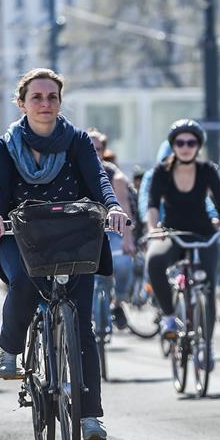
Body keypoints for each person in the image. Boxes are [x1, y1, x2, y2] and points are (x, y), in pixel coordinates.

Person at [0, 68, 129, 440]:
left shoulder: (76, 140)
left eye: (52, 97)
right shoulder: (7, 144)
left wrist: (111, 206)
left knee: (83, 328)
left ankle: (90, 418)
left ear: (60, 102)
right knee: (25, 282)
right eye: (37, 97)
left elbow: (98, 179)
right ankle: (10, 350)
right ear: (22, 103)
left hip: (72, 234)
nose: (45, 103)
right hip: (22, 234)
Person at [145, 119, 220, 367]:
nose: (185, 147)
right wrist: (154, 229)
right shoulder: (161, 171)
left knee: (207, 289)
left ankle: (206, 345)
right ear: (173, 145)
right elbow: (152, 205)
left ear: (198, 146)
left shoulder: (207, 170)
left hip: (204, 234)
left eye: (191, 142)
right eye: (180, 142)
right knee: (154, 260)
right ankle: (170, 318)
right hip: (173, 233)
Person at [88, 128, 136, 329]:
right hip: (84, 233)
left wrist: (127, 239)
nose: (94, 153)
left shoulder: (115, 175)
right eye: (89, 148)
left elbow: (124, 206)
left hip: (111, 231)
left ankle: (118, 302)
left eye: (97, 149)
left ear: (103, 151)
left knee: (124, 263)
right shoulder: (71, 170)